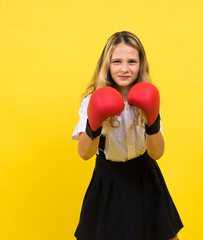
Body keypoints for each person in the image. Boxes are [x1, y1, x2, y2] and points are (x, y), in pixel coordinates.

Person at [72, 31, 183, 240]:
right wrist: (94, 123)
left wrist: (151, 120)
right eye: (117, 62)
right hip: (108, 180)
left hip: (145, 176)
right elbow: (84, 154)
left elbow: (157, 152)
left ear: (141, 64)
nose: (124, 69)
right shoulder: (91, 101)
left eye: (132, 61)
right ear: (106, 64)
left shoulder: (149, 96)